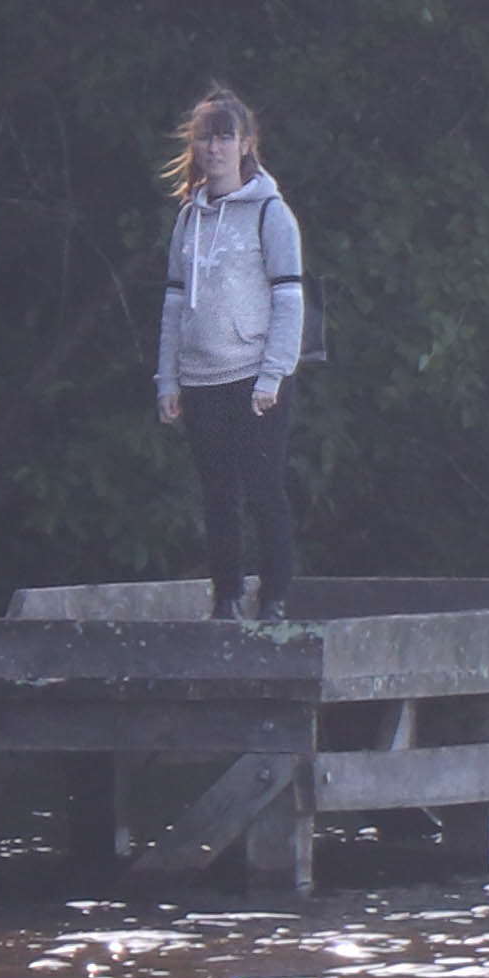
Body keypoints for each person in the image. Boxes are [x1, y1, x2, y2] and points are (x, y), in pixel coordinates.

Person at [152, 80, 305, 619]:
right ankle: (227, 599)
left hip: (255, 376)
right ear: (193, 146)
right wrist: (167, 380)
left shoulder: (272, 213)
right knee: (217, 497)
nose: (213, 148)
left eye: (224, 137)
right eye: (204, 138)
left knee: (264, 491)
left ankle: (277, 599)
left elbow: (290, 300)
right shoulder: (187, 219)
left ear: (245, 144)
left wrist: (273, 376)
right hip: (200, 378)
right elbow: (174, 304)